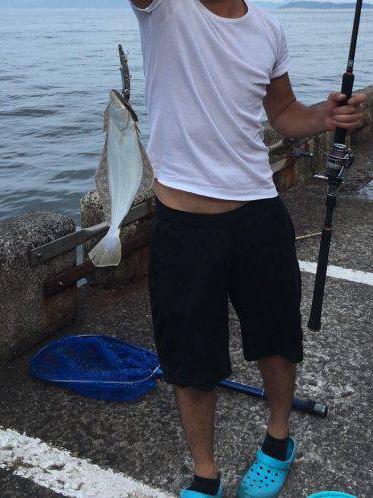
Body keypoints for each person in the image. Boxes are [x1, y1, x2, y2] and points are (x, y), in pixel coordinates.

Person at [129, 1, 366, 497]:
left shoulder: (267, 28)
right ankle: (205, 476)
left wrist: (323, 117)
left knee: (277, 338)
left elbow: (281, 112)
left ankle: (279, 441)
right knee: (190, 358)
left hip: (259, 211)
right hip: (184, 223)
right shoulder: (164, 9)